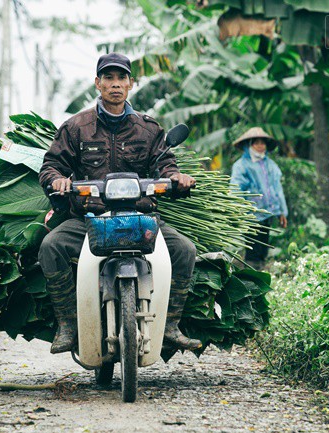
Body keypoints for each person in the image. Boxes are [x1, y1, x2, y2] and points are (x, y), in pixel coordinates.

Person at [38, 52, 202, 354]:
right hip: (90, 218)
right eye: (109, 78)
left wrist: (177, 177)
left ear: (131, 83)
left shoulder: (149, 129)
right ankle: (68, 325)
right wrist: (57, 180)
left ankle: (169, 326)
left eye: (122, 78)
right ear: (98, 83)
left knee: (185, 251)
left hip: (140, 215)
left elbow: (165, 163)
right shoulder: (76, 127)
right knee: (51, 247)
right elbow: (50, 165)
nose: (116, 84)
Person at [230, 127, 288, 270]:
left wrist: (282, 212)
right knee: (253, 250)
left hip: (267, 213)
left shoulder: (270, 164)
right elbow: (235, 189)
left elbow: (277, 189)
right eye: (256, 143)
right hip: (250, 215)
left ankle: (260, 275)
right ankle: (251, 279)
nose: (260, 146)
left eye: (263, 143)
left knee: (263, 248)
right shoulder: (241, 166)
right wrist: (238, 212)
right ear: (249, 145)